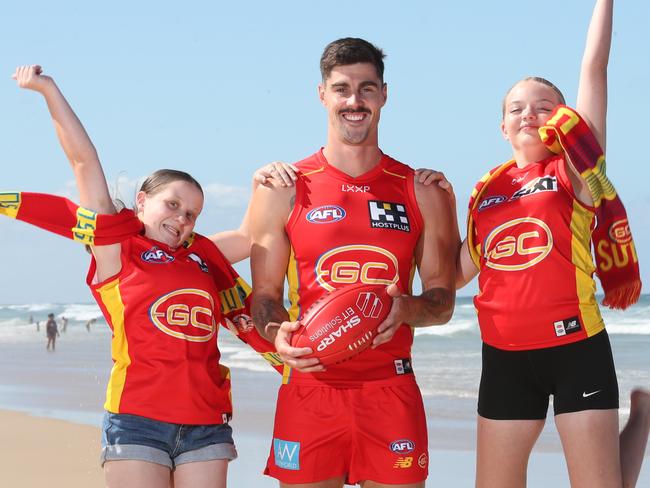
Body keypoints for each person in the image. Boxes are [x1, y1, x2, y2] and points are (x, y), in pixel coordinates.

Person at [10, 65, 294, 488]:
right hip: (136, 420)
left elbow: (253, 235)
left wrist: (261, 185)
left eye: (191, 214)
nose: (182, 219)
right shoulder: (116, 252)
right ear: (141, 202)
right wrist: (48, 90)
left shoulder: (202, 256)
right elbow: (83, 162)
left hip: (206, 423)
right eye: (173, 205)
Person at [451, 1, 650, 486]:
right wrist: (428, 199)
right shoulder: (484, 190)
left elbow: (594, 67)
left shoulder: (574, 170)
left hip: (575, 347)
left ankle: (642, 418)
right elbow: (456, 273)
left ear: (562, 119)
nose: (529, 114)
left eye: (544, 107)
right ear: (503, 127)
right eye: (516, 108)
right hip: (502, 354)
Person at [249, 38, 457, 488]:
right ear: (322, 95)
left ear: (384, 94)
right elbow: (264, 297)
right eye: (342, 88)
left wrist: (405, 309)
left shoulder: (420, 190)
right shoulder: (284, 187)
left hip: (391, 389)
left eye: (366, 88)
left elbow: (442, 303)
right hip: (310, 389)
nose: (354, 101)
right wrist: (275, 336)